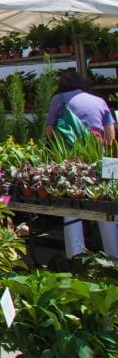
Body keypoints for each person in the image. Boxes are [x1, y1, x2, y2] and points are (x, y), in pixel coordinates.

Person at [45, 70, 118, 258]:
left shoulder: (59, 99)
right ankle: (113, 256)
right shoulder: (99, 101)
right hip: (99, 158)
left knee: (71, 207)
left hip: (70, 159)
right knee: (105, 206)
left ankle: (75, 258)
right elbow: (111, 138)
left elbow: (50, 132)